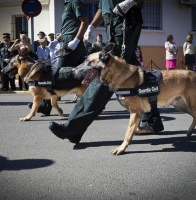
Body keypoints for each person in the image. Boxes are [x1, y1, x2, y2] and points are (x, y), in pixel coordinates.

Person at [49, 0, 164, 144]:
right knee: (133, 72)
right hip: (114, 22)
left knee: (106, 74)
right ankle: (152, 120)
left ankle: (73, 128)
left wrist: (131, 1)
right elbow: (102, 5)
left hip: (126, 20)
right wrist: (92, 25)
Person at [29, 0, 89, 116]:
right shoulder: (67, 4)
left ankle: (46, 106)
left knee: (56, 74)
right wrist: (60, 38)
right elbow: (70, 25)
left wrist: (76, 40)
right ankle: (94, 104)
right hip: (69, 41)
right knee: (83, 77)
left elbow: (85, 22)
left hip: (72, 43)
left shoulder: (74, 1)